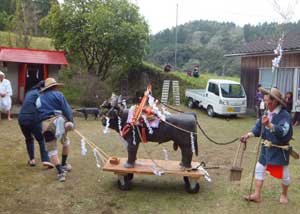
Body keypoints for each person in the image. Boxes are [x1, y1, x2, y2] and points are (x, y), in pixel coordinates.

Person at [240, 87, 292, 204]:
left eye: (266, 100)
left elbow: (284, 132)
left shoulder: (284, 115)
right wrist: (248, 135)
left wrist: (269, 125)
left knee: (284, 175)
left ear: (274, 101)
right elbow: (258, 127)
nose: (264, 102)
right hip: (266, 148)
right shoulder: (266, 113)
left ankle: (284, 194)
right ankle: (257, 195)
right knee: (259, 168)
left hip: (279, 150)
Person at [37, 77, 74, 182]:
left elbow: (38, 111)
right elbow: (67, 110)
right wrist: (71, 122)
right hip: (59, 122)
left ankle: (60, 172)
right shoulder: (59, 95)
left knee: (51, 148)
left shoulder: (39, 99)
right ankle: (64, 164)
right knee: (65, 141)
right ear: (55, 86)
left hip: (45, 125)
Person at [18, 80, 53, 168]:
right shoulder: (40, 93)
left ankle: (32, 160)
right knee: (41, 139)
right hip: (32, 118)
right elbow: (41, 106)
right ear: (43, 87)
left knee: (29, 138)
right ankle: (45, 160)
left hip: (21, 118)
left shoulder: (29, 92)